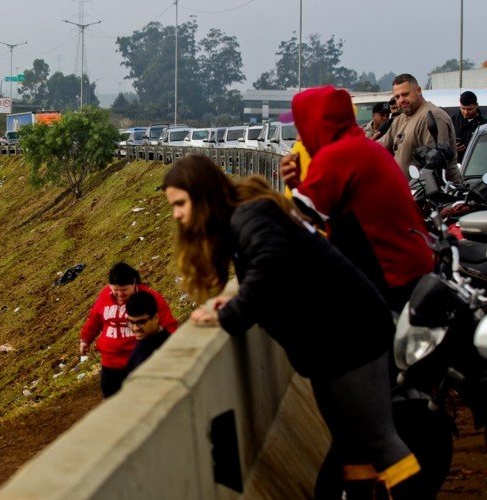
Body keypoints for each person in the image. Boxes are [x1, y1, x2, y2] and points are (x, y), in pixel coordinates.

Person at [163, 155, 421, 499]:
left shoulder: (248, 216)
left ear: (204, 195)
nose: (177, 214)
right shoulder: (245, 215)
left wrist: (230, 314)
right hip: (331, 342)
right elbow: (262, 268)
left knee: (377, 436)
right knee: (349, 443)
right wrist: (236, 302)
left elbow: (270, 265)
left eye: (181, 204)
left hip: (352, 334)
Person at [281, 85, 433, 312]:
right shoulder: (364, 146)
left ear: (316, 122)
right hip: (412, 268)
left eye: (301, 125)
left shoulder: (337, 154)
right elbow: (330, 211)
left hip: (389, 277)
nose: (300, 135)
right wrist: (296, 185)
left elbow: (298, 217)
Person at [80, 262, 178, 398]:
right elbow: (95, 318)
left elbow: (168, 325)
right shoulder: (105, 295)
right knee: (111, 399)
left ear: (134, 283)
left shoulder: (149, 299)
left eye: (124, 290)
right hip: (110, 362)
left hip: (138, 359)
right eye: (115, 290)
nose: (119, 295)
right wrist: (85, 339)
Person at [378, 73, 463, 183]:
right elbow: (380, 146)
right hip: (408, 193)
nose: (401, 100)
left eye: (405, 94)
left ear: (418, 90)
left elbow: (435, 165)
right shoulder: (401, 119)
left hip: (432, 195)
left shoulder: (432, 116)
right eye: (397, 97)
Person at [123, 291, 171, 376]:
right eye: (131, 322)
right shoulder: (143, 344)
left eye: (141, 322)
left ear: (155, 318)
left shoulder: (165, 348)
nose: (135, 328)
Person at [451, 90, 486, 163]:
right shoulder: (451, 121)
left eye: (469, 109)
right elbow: (441, 143)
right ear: (459, 105)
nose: (466, 112)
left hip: (477, 166)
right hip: (455, 167)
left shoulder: (484, 125)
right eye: (463, 108)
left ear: (476, 105)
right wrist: (452, 148)